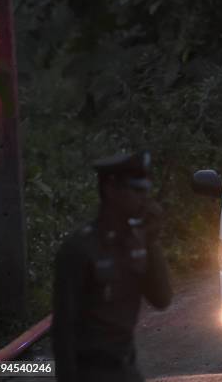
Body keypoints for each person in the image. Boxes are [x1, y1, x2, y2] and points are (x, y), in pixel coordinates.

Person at [51, 151, 172, 382]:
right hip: (92, 373)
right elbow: (63, 330)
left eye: (145, 191)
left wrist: (152, 241)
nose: (143, 199)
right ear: (111, 189)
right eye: (136, 191)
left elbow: (162, 299)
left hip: (127, 370)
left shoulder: (136, 243)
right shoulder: (80, 248)